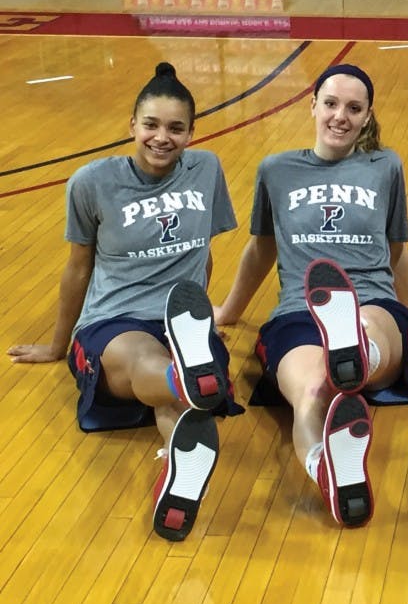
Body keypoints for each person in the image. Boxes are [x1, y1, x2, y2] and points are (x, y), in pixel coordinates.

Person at [7, 62, 241, 542]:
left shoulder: (207, 169)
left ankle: (176, 464)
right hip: (116, 322)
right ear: (132, 124)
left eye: (176, 128)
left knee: (179, 407)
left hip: (182, 320)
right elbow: (78, 268)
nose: (162, 138)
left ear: (192, 132)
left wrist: (204, 314)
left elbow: (204, 253)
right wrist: (56, 345)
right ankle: (187, 374)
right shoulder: (91, 182)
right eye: (151, 125)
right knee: (146, 361)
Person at [215, 63, 408, 528]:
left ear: (367, 115)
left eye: (354, 108)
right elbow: (261, 248)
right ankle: (328, 469)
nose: (341, 116)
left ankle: (355, 349)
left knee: (362, 334)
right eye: (331, 104)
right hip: (298, 310)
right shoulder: (276, 170)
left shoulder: (385, 166)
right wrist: (229, 310)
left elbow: (395, 247)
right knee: (311, 393)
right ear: (312, 105)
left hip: (372, 301)